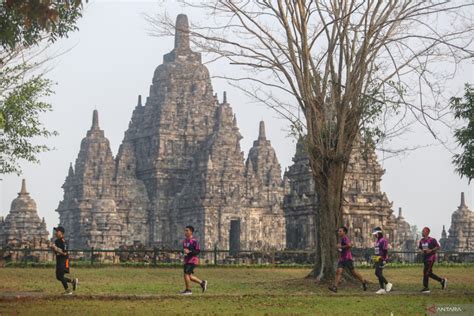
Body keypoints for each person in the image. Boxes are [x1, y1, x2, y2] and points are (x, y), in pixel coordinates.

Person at [329, 226, 368, 293]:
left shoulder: (345, 238)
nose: (339, 232)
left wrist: (340, 246)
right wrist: (340, 249)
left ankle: (363, 281)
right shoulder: (342, 239)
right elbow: (344, 248)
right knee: (338, 272)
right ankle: (335, 287)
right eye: (338, 231)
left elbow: (350, 245)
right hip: (342, 259)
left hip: (347, 258)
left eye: (340, 231)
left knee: (354, 273)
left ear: (344, 232)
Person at [180, 225, 208, 295]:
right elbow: (184, 251)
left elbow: (197, 251)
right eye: (185, 230)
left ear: (191, 232)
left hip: (192, 260)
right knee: (190, 276)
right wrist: (182, 253)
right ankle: (202, 283)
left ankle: (188, 290)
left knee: (186, 273)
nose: (185, 232)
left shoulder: (194, 241)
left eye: (187, 231)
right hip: (187, 260)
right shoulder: (184, 241)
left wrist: (189, 252)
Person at [419, 227, 447, 293]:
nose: (422, 232)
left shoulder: (432, 240)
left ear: (427, 232)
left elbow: (438, 247)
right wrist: (422, 251)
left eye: (423, 231)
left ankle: (426, 288)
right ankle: (442, 281)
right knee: (429, 273)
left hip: (431, 258)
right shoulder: (421, 241)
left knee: (426, 272)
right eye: (422, 231)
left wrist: (431, 250)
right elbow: (420, 248)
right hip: (425, 258)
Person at [51, 226, 78, 295]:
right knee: (58, 277)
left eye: (57, 231)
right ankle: (72, 281)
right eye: (55, 231)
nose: (56, 233)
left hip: (63, 260)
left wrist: (56, 249)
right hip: (59, 260)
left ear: (61, 233)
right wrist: (53, 249)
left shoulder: (64, 242)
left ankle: (68, 291)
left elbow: (64, 252)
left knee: (60, 275)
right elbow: (56, 253)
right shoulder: (56, 241)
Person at [372, 227, 393, 294]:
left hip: (381, 259)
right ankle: (382, 289)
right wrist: (375, 258)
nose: (375, 235)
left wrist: (384, 259)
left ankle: (387, 283)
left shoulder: (383, 240)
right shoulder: (377, 241)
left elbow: (385, 250)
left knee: (377, 273)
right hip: (377, 259)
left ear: (379, 233)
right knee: (379, 273)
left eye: (376, 234)